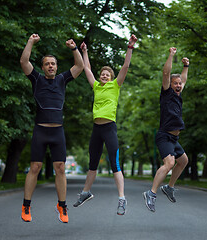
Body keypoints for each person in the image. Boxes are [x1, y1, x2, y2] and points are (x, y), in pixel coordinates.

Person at [20, 33, 84, 223]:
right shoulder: (37, 79)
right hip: (41, 130)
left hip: (57, 132)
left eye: (53, 64)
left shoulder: (63, 79)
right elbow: (24, 61)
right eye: (47, 64)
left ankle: (62, 206)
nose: (50, 66)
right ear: (42, 67)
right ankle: (26, 205)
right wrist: (31, 41)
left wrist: (74, 48)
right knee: (35, 167)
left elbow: (80, 66)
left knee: (61, 168)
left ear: (56, 67)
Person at [73, 34, 138, 215]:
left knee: (115, 164)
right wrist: (84, 51)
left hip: (109, 128)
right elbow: (86, 68)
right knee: (92, 163)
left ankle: (122, 198)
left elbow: (125, 66)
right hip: (96, 129)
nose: (103, 75)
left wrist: (130, 47)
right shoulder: (95, 86)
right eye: (102, 73)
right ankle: (85, 193)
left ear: (111, 77)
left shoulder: (115, 85)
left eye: (107, 74)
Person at [143, 47, 189, 212]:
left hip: (174, 139)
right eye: (175, 83)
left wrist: (186, 66)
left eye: (179, 84)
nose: (178, 85)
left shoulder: (178, 95)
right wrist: (171, 55)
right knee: (169, 163)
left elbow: (183, 78)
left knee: (183, 161)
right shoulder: (167, 93)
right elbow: (166, 73)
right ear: (169, 84)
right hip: (164, 136)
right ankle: (151, 193)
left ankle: (169, 188)